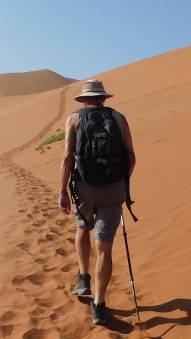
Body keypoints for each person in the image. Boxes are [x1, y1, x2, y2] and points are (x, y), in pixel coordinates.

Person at [58, 79, 136, 326]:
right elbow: (132, 157)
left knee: (82, 228)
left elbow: (68, 156)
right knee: (105, 248)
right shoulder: (119, 118)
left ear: (83, 99)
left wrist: (62, 190)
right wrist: (120, 182)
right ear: (104, 98)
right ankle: (99, 305)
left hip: (84, 187)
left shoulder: (74, 119)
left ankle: (83, 278)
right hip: (114, 190)